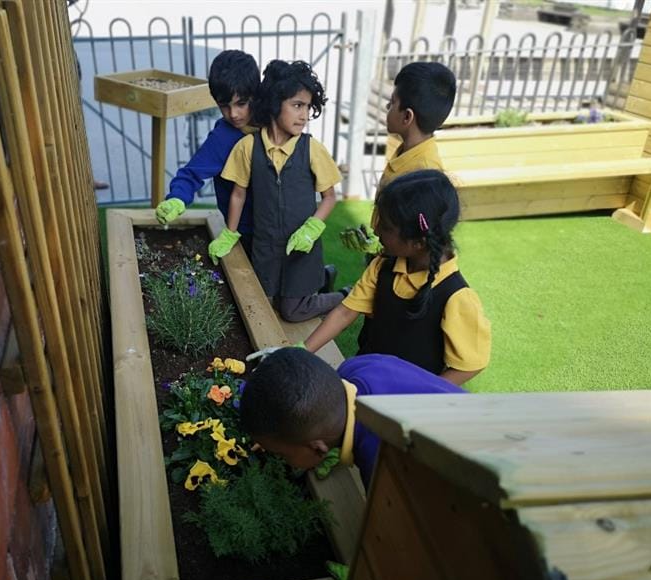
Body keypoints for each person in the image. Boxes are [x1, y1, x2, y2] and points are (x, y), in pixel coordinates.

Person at [303, 170, 491, 387]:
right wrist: (301, 350)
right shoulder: (382, 265)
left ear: (418, 243)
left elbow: (469, 365)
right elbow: (345, 312)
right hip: (366, 382)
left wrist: (423, 393)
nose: (376, 230)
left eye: (386, 227)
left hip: (407, 402)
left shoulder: (457, 296)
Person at [209, 59, 345, 322]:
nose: (304, 115)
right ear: (274, 102)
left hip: (301, 248)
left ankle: (344, 296)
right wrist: (230, 233)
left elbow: (330, 197)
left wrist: (312, 228)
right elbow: (238, 194)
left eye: (307, 107)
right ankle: (325, 275)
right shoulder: (247, 147)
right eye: (297, 106)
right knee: (262, 300)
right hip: (266, 246)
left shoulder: (312, 149)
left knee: (291, 312)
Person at [239, 347, 464, 491]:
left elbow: (390, 529)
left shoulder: (379, 461)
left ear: (318, 449)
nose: (280, 459)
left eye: (282, 454)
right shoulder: (353, 368)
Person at [340, 61, 456, 256]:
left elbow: (419, 244)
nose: (387, 107)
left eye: (392, 103)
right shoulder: (406, 150)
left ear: (407, 117)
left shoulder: (424, 172)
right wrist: (375, 242)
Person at [154, 49, 260, 254]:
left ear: (256, 94)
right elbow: (191, 174)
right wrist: (177, 198)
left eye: (241, 103)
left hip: (282, 225)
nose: (234, 114)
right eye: (224, 106)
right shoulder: (223, 138)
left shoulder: (275, 123)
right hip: (245, 232)